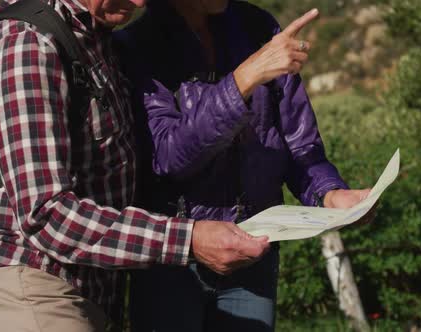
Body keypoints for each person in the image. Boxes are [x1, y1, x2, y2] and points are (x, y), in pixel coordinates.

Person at [0, 0, 271, 331]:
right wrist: (187, 238)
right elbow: (47, 215)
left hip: (89, 292)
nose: (139, 2)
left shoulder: (95, 38)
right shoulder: (25, 43)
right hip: (29, 281)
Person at [114, 0, 376, 331]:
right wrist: (244, 79)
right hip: (174, 265)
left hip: (254, 257)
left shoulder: (258, 27)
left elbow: (298, 142)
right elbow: (167, 156)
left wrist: (330, 193)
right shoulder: (135, 45)